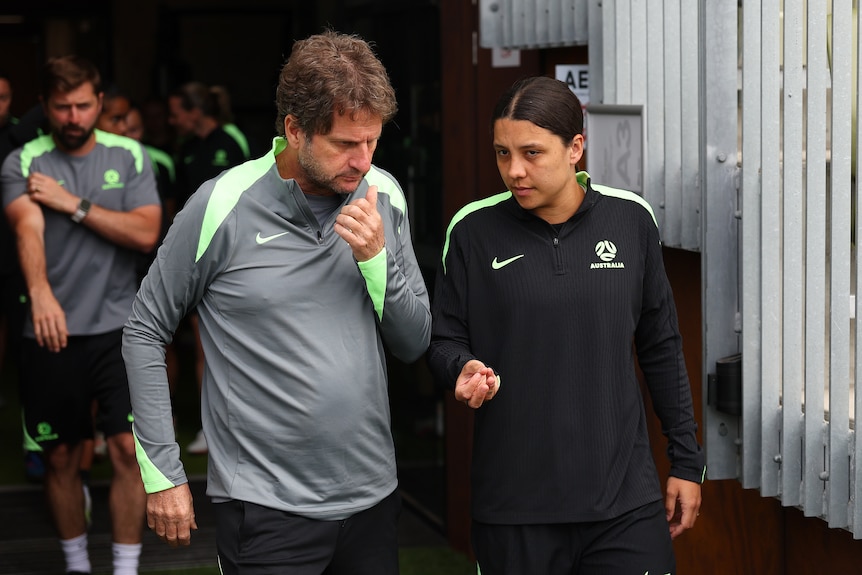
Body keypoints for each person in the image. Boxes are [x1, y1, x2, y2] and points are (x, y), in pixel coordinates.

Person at [122, 30, 431, 574]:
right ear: (294, 129)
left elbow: (414, 342)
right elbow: (145, 330)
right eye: (344, 144)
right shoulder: (221, 204)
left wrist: (376, 261)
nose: (363, 162)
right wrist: (164, 473)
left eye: (372, 142)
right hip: (265, 509)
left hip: (373, 498)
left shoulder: (384, 196)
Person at [426, 76, 704, 575]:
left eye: (532, 153)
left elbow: (661, 345)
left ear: (576, 147)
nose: (514, 170)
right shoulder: (472, 231)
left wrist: (686, 461)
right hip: (514, 512)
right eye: (502, 153)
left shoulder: (631, 220)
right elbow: (445, 339)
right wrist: (460, 367)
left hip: (624, 506)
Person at [1, 55, 162, 575]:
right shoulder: (23, 161)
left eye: (83, 106)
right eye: (62, 107)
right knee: (63, 458)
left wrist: (72, 203)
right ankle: (76, 565)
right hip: (51, 331)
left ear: (99, 104)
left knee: (125, 451)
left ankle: (125, 569)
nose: (74, 117)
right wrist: (40, 291)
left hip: (121, 329)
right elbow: (27, 228)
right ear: (45, 108)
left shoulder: (131, 156)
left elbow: (144, 232)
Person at [166, 80, 249, 454]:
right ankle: (209, 428)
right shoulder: (186, 150)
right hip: (195, 259)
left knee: (230, 348)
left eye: (177, 112)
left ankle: (230, 430)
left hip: (232, 261)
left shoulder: (232, 142)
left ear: (195, 111)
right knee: (202, 346)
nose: (171, 120)